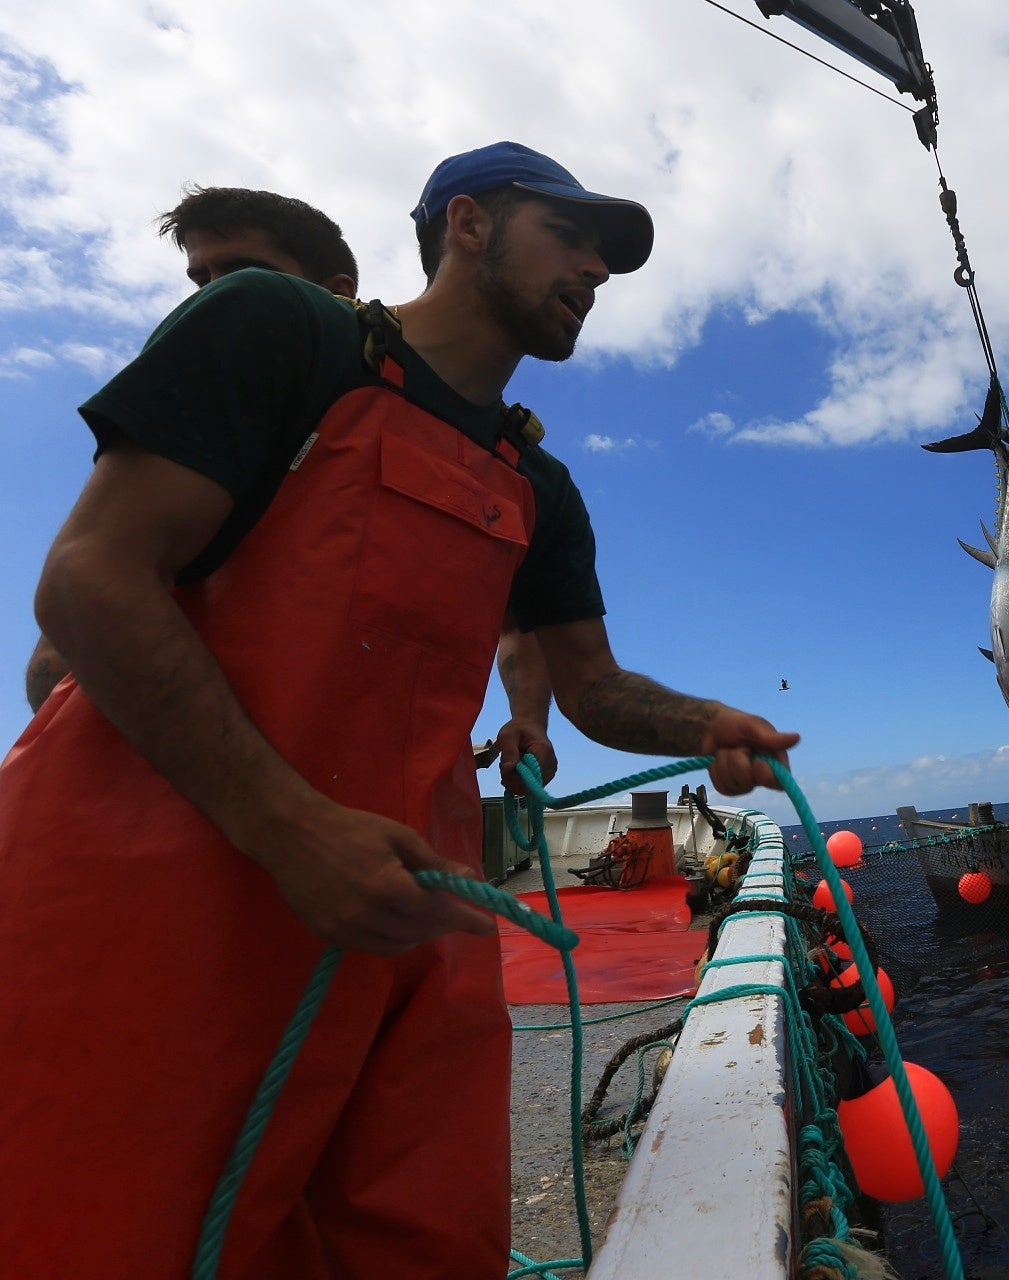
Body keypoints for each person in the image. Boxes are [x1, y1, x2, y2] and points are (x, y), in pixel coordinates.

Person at [0, 142, 798, 1277]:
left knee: (427, 1238)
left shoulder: (538, 484)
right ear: (466, 223)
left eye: (608, 256)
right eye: (571, 235)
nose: (597, 269)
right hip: (161, 895)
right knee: (121, 1230)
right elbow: (89, 580)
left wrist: (709, 721)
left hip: (404, 920)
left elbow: (593, 686)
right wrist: (288, 826)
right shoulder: (279, 329)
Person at [21, 184, 559, 794]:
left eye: (242, 272)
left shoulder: (496, 465)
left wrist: (527, 718)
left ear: (337, 293)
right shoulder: (192, 432)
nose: (215, 293)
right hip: (157, 810)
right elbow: (65, 635)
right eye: (201, 277)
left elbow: (515, 618)